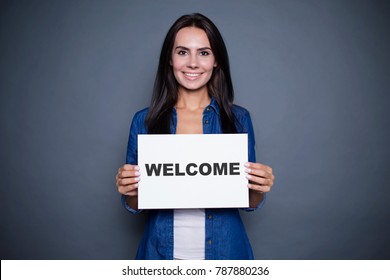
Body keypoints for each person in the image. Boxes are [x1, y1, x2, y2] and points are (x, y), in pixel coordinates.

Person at [115, 13, 275, 260]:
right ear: (169, 59)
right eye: (182, 52)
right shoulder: (144, 121)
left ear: (216, 60)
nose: (192, 63)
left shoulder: (238, 119)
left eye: (203, 52)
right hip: (159, 256)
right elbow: (135, 205)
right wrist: (130, 190)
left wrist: (260, 186)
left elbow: (248, 200)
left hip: (225, 255)